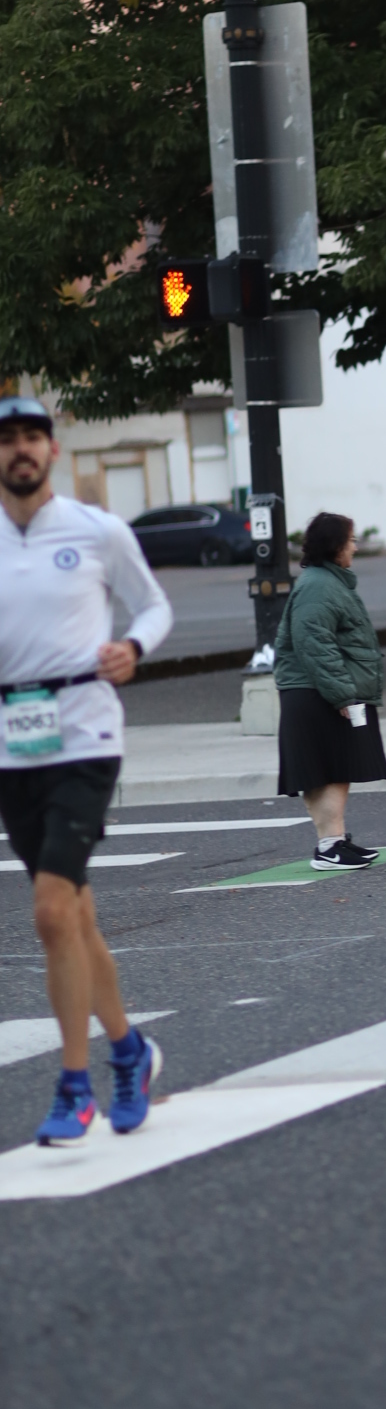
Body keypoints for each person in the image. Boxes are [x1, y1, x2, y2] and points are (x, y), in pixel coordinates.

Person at [0, 395, 172, 1145]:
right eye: (7, 439)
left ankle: (75, 1087)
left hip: (86, 734)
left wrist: (132, 648)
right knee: (74, 916)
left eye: (31, 436)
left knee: (49, 911)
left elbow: (154, 607)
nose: (20, 449)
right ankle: (130, 1051)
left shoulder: (97, 530)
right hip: (12, 741)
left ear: (53, 450)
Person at [274, 511, 386, 869]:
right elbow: (315, 644)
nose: (355, 547)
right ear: (335, 545)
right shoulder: (318, 586)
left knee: (337, 767)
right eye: (351, 541)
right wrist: (342, 694)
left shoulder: (327, 581)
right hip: (316, 692)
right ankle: (328, 848)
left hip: (320, 690)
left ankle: (335, 841)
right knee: (324, 770)